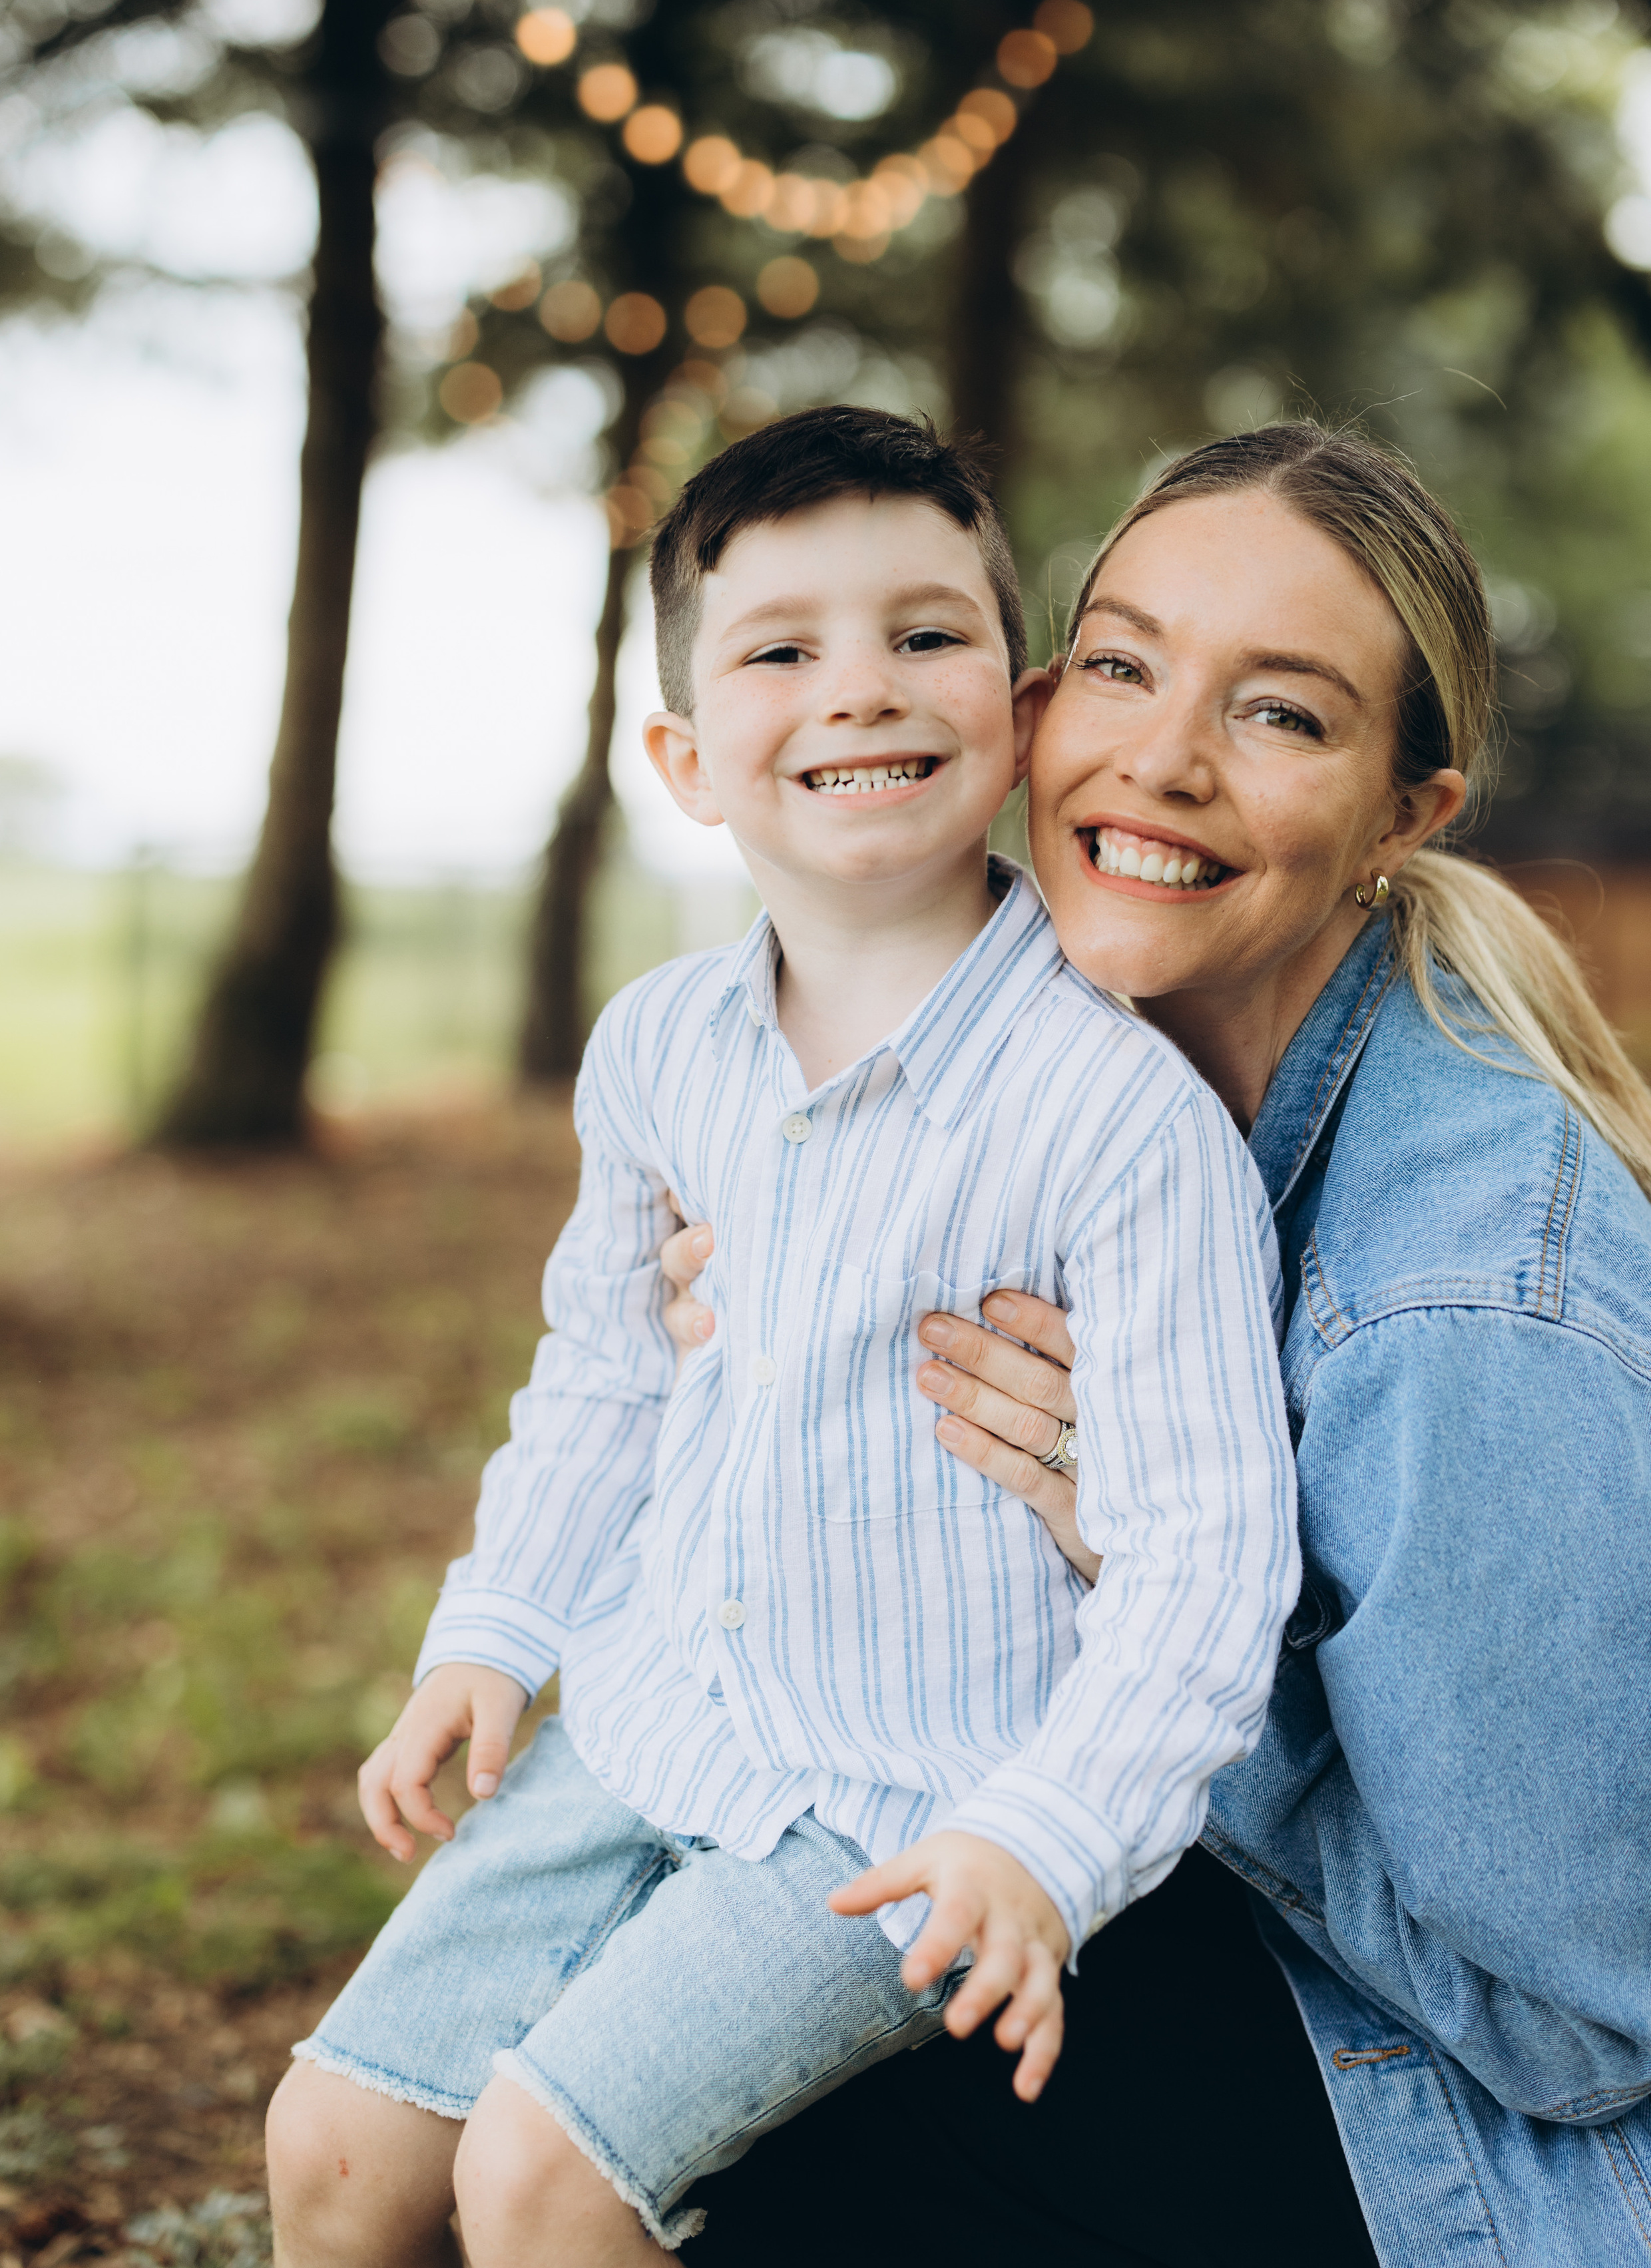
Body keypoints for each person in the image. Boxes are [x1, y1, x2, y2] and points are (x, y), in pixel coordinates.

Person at [264, 408, 1301, 2267]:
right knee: (333, 2151)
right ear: (683, 758)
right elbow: (603, 1373)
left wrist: (1046, 1842)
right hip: (653, 1712)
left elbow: (1209, 1561)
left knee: (539, 2183)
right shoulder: (662, 1049)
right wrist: (496, 1632)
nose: (860, 690)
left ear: (1022, 696)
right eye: (781, 650)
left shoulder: (1119, 1122)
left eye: (923, 634)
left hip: (907, 1795)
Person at [665, 422, 1651, 2268]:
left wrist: (1181, 1600)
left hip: (1465, 2135)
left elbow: (1589, 2025)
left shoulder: (1454, 1316)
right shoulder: (1065, 1088)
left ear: (1405, 811)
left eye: (1280, 714)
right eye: (1121, 665)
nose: (1162, 761)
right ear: (1038, 701)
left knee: (770, 2163)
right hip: (1213, 1948)